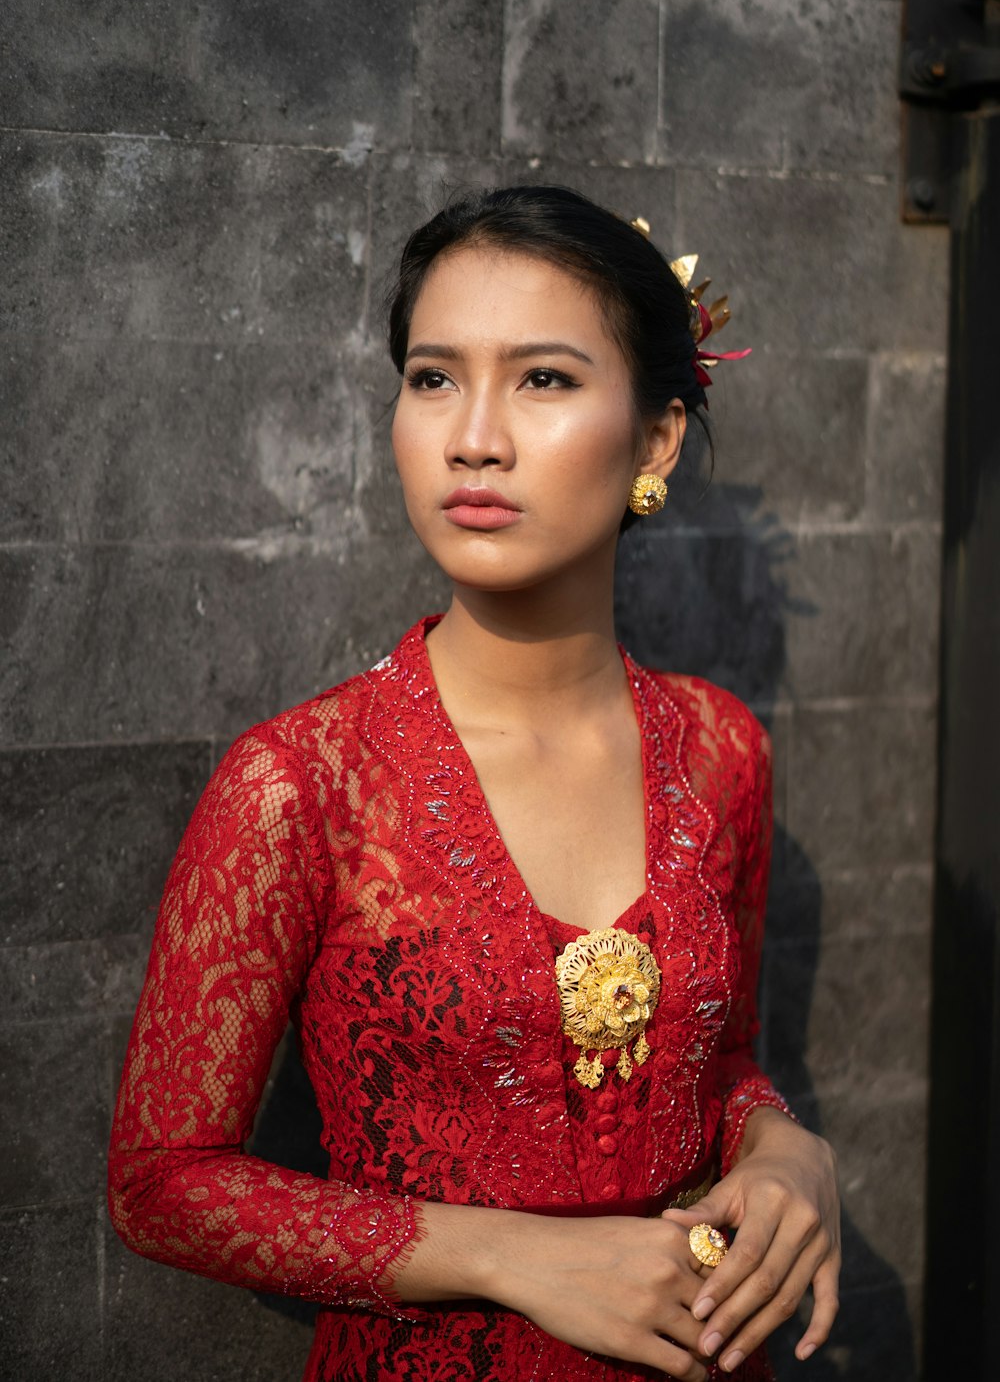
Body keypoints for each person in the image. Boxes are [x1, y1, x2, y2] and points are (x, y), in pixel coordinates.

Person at [108, 186, 840, 1381]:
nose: (472, 437)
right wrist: (512, 1258)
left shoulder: (718, 751)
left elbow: (714, 1061)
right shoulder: (301, 785)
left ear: (656, 439)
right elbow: (160, 1185)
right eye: (433, 377)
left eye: (543, 379)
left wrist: (784, 1147)